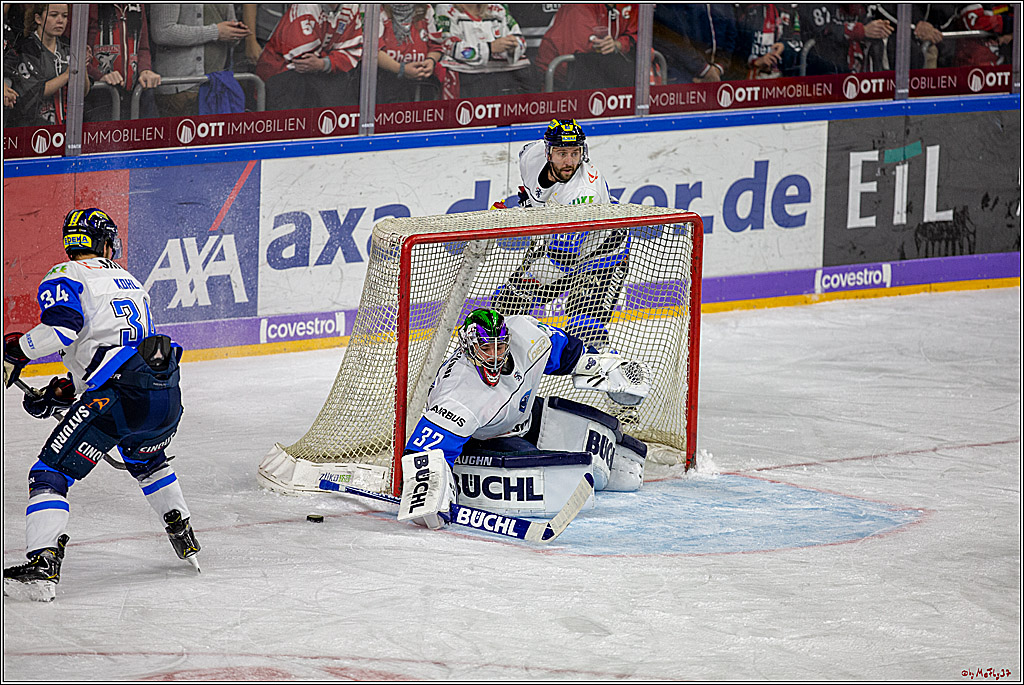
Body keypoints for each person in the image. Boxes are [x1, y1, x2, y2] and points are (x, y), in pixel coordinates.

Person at [3, 208, 200, 603]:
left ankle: (43, 563)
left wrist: (15, 352)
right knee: (146, 460)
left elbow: (62, 328)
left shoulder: (66, 275)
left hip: (118, 395)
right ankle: (182, 533)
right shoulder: (130, 281)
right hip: (165, 391)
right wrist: (64, 394)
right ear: (105, 242)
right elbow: (115, 347)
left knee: (50, 472)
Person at [398, 308, 648, 529]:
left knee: (626, 470)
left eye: (500, 346)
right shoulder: (457, 395)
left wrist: (605, 368)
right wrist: (428, 497)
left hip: (525, 414)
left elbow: (568, 354)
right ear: (468, 349)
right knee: (563, 484)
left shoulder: (526, 333)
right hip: (489, 437)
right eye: (486, 348)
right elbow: (423, 453)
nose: (495, 356)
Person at [490, 119, 628, 349]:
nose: (569, 161)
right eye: (562, 153)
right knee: (504, 308)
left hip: (603, 257)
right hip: (562, 248)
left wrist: (526, 282)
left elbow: (561, 260)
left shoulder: (583, 194)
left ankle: (612, 374)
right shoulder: (530, 156)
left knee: (586, 332)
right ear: (547, 152)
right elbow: (534, 194)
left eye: (575, 153)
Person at [149, 3, 250, 118]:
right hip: (181, 87)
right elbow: (162, 32)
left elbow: (227, 30)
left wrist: (235, 32)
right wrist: (215, 32)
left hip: (217, 84)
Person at [255, 3, 361, 111]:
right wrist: (332, 58)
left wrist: (324, 63)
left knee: (343, 83)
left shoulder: (351, 6)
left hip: (319, 76)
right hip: (281, 72)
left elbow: (353, 50)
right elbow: (303, 59)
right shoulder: (306, 5)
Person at [13, 3, 90, 126]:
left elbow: (83, 92)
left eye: (64, 16)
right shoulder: (27, 49)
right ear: (38, 19)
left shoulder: (69, 46)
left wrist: (82, 65)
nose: (60, 21)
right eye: (53, 15)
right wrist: (67, 75)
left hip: (66, 126)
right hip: (34, 127)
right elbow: (33, 93)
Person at [432, 3, 529, 99]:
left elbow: (520, 40)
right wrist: (490, 48)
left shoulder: (498, 8)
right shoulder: (445, 8)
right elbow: (450, 46)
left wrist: (513, 47)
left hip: (504, 74)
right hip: (467, 77)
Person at [85, 3, 162, 121]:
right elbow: (72, 50)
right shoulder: (88, 6)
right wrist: (99, 76)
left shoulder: (138, 6)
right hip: (97, 96)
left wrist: (145, 69)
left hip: (133, 96)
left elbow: (142, 47)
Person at [534, 3, 638, 91]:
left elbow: (639, 35)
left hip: (596, 75)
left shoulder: (631, 5)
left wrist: (619, 44)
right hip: (557, 83)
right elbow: (589, 53)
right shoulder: (578, 6)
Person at [375, 4, 444, 104]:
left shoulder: (427, 9)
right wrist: (401, 69)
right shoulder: (376, 8)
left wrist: (431, 60)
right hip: (385, 83)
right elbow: (371, 50)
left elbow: (437, 45)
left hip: (421, 83)